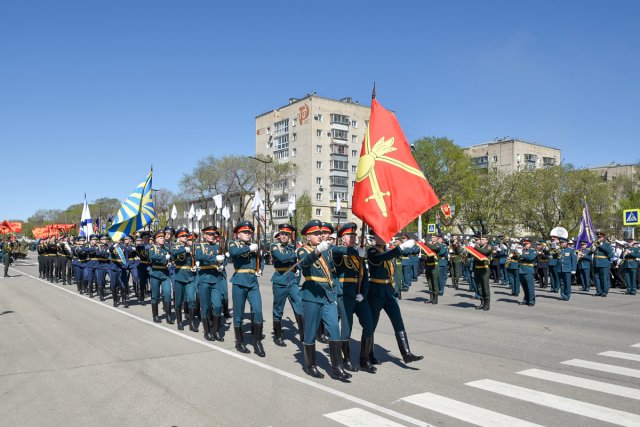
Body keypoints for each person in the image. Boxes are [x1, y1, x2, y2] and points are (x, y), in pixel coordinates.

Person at [297, 219, 351, 380]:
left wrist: (356, 250)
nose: (320, 236)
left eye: (321, 233)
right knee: (311, 331)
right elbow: (304, 264)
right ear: (308, 237)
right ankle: (310, 365)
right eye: (316, 234)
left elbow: (342, 251)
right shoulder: (303, 250)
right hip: (312, 294)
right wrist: (316, 251)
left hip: (328, 295)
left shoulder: (327, 249)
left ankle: (337, 367)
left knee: (334, 328)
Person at [367, 231, 423, 365]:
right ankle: (368, 354)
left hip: (388, 292)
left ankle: (406, 353)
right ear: (374, 237)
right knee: (371, 325)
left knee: (398, 322)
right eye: (380, 235)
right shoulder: (372, 251)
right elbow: (383, 257)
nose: (383, 237)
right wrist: (401, 248)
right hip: (375, 292)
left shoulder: (386, 250)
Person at [332, 223, 376, 373]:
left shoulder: (359, 255)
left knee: (369, 325)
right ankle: (346, 359)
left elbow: (364, 276)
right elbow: (337, 251)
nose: (353, 238)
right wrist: (356, 251)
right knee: (346, 328)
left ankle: (364, 360)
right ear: (342, 239)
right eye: (349, 236)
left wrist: (364, 293)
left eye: (354, 236)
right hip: (345, 295)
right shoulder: (340, 252)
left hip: (358, 296)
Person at [228, 221, 265, 357]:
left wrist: (260, 269)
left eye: (250, 232)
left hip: (253, 282)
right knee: (239, 313)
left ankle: (257, 342)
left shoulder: (254, 246)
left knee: (258, 311)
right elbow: (234, 252)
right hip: (239, 281)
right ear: (238, 234)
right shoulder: (234, 244)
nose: (248, 234)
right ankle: (240, 342)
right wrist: (249, 249)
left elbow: (261, 260)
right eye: (245, 232)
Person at [269, 223, 304, 347]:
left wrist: (300, 258)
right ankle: (277, 336)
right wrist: (296, 254)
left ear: (290, 236)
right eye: (282, 234)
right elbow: (281, 257)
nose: (284, 236)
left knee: (299, 305)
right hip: (280, 280)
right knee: (278, 308)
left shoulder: (291, 248)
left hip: (292, 281)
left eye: (287, 234)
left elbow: (298, 263)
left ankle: (303, 333)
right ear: (279, 235)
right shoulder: (274, 246)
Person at [195, 226, 226, 341]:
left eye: (213, 234)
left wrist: (223, 263)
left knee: (218, 305)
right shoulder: (200, 246)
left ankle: (216, 331)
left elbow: (223, 258)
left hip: (216, 279)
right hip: (204, 278)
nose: (212, 236)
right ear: (205, 235)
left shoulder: (218, 246)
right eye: (210, 234)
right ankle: (207, 332)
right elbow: (199, 256)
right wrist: (214, 258)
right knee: (205, 306)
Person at [171, 227, 198, 332]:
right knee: (179, 301)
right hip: (179, 276)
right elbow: (173, 253)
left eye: (186, 236)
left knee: (191, 299)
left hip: (190, 276)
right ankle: (179, 322)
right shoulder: (176, 246)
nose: (186, 237)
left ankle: (191, 323)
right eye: (183, 236)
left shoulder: (191, 247)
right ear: (178, 237)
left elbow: (195, 258)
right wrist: (183, 249)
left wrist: (196, 265)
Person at [149, 230, 174, 323]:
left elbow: (172, 258)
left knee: (167, 294)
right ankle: (155, 316)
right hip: (155, 274)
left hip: (165, 274)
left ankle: (168, 316)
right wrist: (164, 258)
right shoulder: (153, 248)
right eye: (160, 238)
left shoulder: (167, 249)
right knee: (155, 296)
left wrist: (170, 261)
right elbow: (152, 256)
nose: (163, 239)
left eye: (163, 238)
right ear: (156, 240)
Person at [472, 236, 492, 310]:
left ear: (486, 241)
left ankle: (487, 304)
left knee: (485, 286)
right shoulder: (479, 247)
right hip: (477, 268)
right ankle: (482, 302)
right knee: (479, 287)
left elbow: (485, 252)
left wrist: (476, 248)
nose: (481, 241)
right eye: (480, 239)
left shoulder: (489, 247)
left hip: (484, 269)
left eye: (483, 239)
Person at [592, 232, 613, 297]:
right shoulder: (595, 244)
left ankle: (604, 291)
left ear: (603, 238)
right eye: (598, 237)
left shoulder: (607, 244)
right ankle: (598, 291)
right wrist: (592, 247)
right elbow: (591, 252)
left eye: (600, 237)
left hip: (604, 263)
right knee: (597, 278)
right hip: (596, 263)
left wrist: (601, 245)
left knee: (604, 278)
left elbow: (610, 253)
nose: (599, 238)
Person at [518, 238, 538, 306]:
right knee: (524, 287)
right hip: (521, 270)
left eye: (526, 244)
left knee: (530, 287)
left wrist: (521, 255)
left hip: (528, 270)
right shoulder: (522, 251)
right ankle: (525, 299)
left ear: (530, 244)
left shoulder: (533, 251)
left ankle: (531, 301)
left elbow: (530, 258)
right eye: (524, 244)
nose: (524, 245)